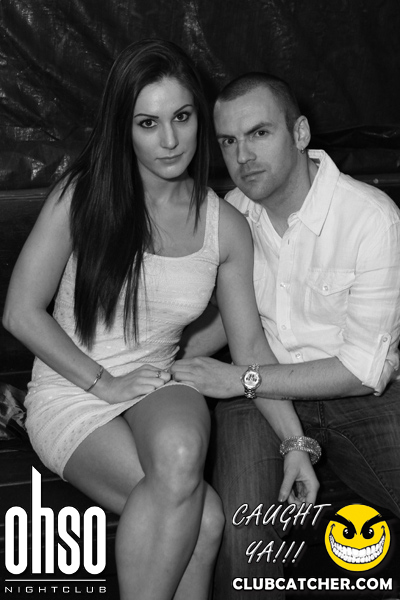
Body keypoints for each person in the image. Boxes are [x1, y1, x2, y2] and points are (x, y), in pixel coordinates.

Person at [3, 45, 318, 600]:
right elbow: (20, 312)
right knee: (207, 521)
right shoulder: (83, 196)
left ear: (199, 117)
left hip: (157, 381)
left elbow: (249, 346)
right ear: (124, 128)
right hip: (73, 388)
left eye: (182, 117)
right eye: (148, 123)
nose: (169, 140)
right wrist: (106, 383)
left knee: (180, 453)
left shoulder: (225, 225)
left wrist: (296, 445)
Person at [172, 72, 400, 599]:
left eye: (259, 133)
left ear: (299, 133)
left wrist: (241, 379)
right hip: (258, 405)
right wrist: (133, 368)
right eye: (228, 141)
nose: (242, 156)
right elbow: (223, 323)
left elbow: (362, 372)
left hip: (360, 399)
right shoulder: (230, 216)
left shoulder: (371, 219)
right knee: (242, 546)